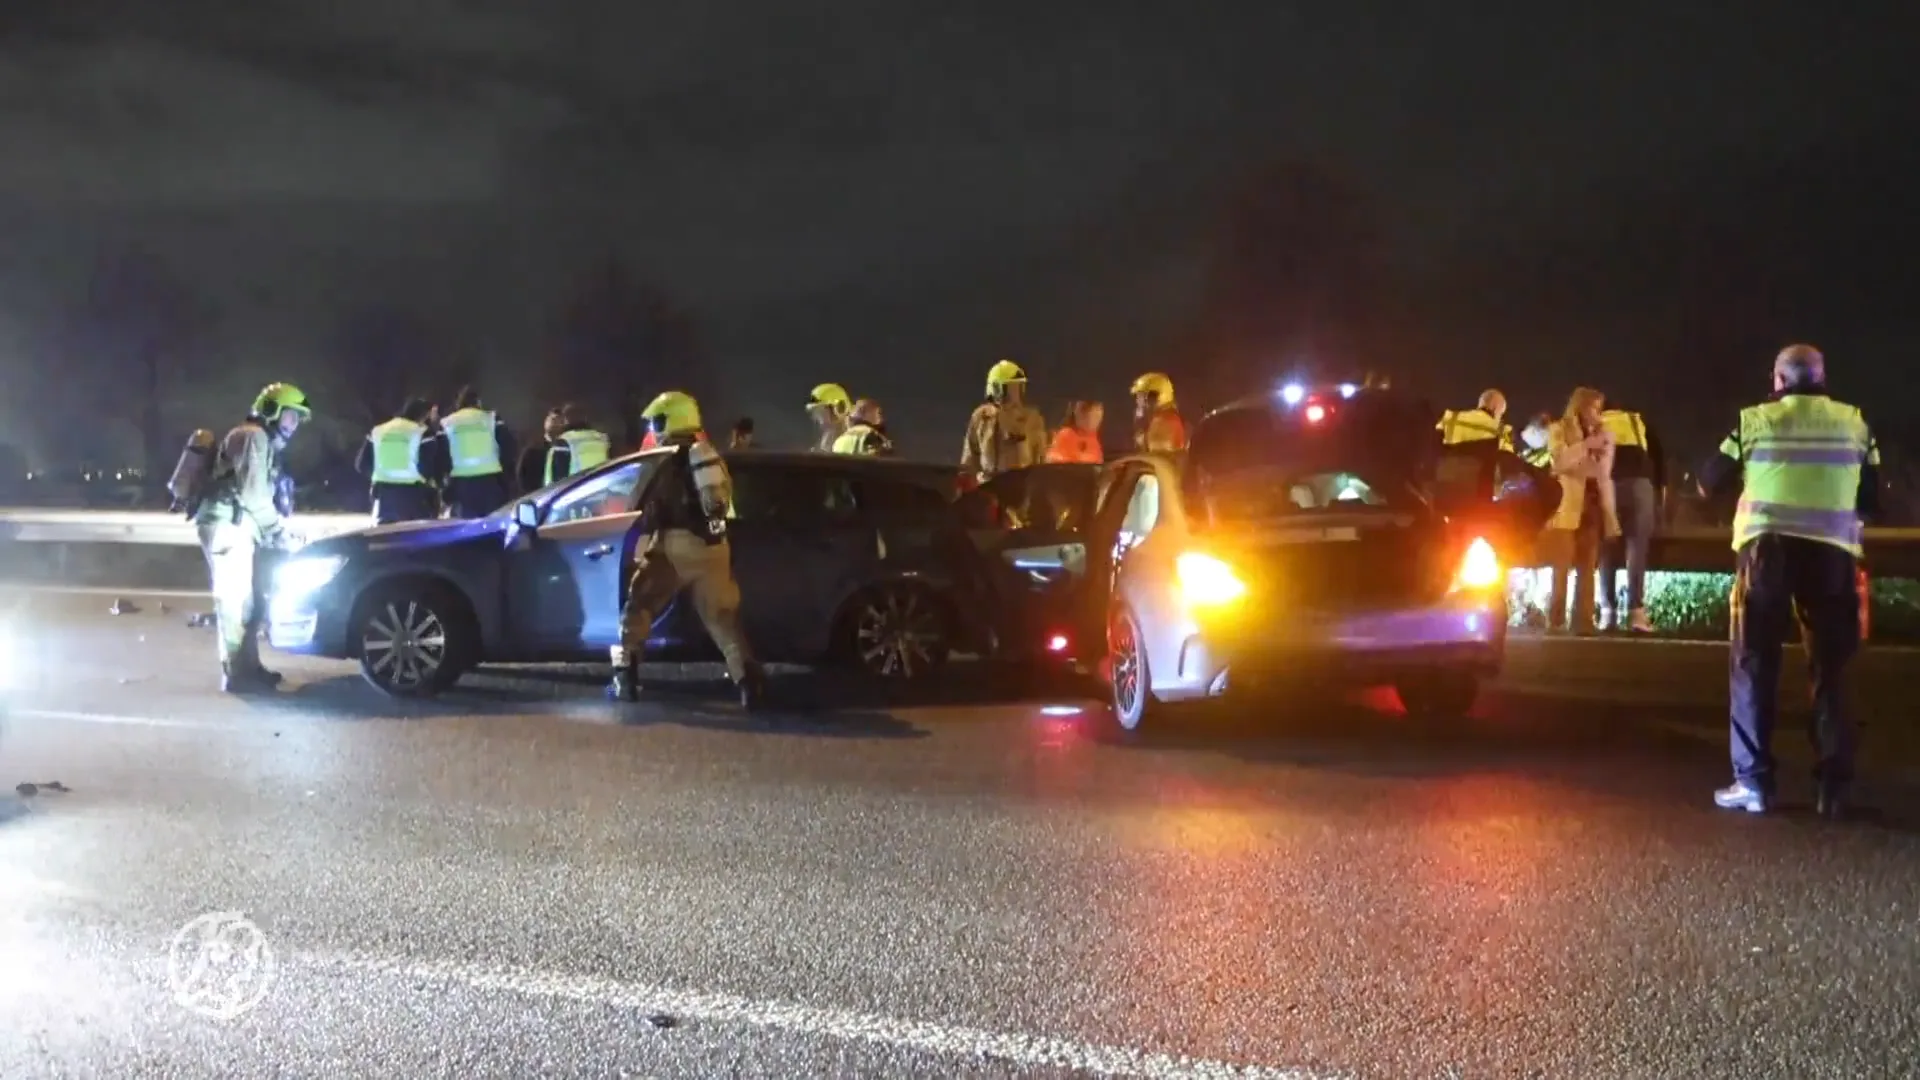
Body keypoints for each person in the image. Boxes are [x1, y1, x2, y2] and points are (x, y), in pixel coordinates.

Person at [1699, 344, 1879, 818]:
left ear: (1778, 380)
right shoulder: (1855, 422)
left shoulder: (1754, 420)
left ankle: (1753, 783)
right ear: (1822, 378)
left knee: (1754, 662)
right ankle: (1833, 792)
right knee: (1832, 669)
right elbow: (1871, 499)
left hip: (1767, 550)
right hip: (1833, 554)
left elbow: (1708, 480)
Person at [609, 390, 766, 709]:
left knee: (638, 605)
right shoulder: (710, 456)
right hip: (715, 548)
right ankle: (750, 684)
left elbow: (648, 505)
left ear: (673, 419)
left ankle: (625, 676)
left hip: (674, 546)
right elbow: (721, 507)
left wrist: (640, 543)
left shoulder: (669, 459)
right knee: (723, 621)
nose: (653, 428)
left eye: (657, 421)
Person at [195, 382, 309, 693]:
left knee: (251, 602)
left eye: (297, 419)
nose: (294, 425)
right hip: (227, 527)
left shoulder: (261, 441)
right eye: (291, 416)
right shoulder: (251, 437)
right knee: (235, 603)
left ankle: (249, 667)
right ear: (271, 410)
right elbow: (253, 494)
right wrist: (277, 532)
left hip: (241, 528)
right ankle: (236, 673)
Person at [1539, 387, 1617, 634]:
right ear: (1580, 407)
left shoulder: (1602, 434)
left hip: (1593, 505)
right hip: (1566, 505)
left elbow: (1602, 472)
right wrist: (1585, 446)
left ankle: (1584, 620)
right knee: (1561, 565)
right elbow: (1559, 462)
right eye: (1593, 407)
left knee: (1588, 566)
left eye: (1599, 409)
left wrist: (1599, 448)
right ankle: (1556, 620)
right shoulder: (1559, 429)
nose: (1597, 413)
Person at [1597, 403, 1666, 631]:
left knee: (1607, 547)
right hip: (1639, 483)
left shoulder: (1597, 422)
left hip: (1608, 483)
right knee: (1636, 547)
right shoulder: (1637, 420)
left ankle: (1607, 613)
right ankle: (1636, 614)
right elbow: (1658, 458)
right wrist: (1660, 493)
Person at [355, 397, 448, 524]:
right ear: (426, 415)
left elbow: (362, 464)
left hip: (383, 496)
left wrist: (380, 477)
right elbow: (431, 467)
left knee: (386, 532)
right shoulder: (422, 433)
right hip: (414, 497)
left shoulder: (378, 430)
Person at [960, 359, 1048, 483]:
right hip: (986, 484)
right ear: (997, 389)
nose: (1015, 393)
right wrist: (965, 480)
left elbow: (1040, 458)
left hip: (1018, 486)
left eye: (1018, 387)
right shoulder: (981, 417)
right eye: (1011, 388)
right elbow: (970, 457)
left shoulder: (1031, 418)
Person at [439, 385, 518, 519]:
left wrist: (447, 481)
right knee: (492, 522)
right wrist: (507, 475)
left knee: (466, 524)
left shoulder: (447, 423)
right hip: (490, 481)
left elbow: (442, 455)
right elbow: (508, 446)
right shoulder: (491, 418)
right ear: (478, 402)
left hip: (461, 483)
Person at [541, 403, 610, 486]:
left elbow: (558, 481)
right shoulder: (601, 438)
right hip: (602, 488)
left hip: (575, 491)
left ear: (565, 420)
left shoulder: (564, 442)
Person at [1130, 372, 1187, 452]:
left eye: (1145, 398)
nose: (1140, 403)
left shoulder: (1166, 421)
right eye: (1139, 398)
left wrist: (1142, 439)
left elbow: (1157, 454)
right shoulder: (1158, 419)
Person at [516, 408, 565, 493]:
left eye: (559, 421)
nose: (555, 424)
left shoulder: (567, 448)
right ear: (546, 423)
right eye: (552, 420)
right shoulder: (534, 448)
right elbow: (523, 475)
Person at [807, 383, 853, 452]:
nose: (818, 418)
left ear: (840, 408)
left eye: (821, 411)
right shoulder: (825, 441)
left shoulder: (854, 439)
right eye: (815, 412)